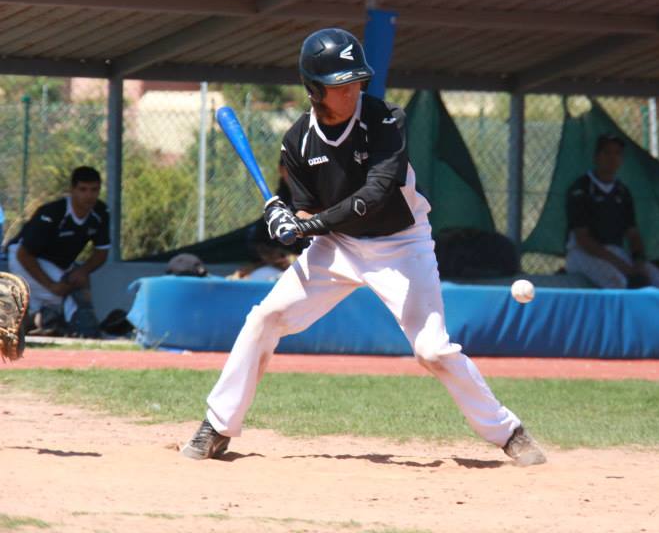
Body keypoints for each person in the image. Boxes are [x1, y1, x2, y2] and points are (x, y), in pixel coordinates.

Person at [181, 28, 546, 466]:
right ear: (315, 88)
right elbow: (306, 214)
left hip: (402, 244)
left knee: (432, 350)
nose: (354, 90)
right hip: (337, 246)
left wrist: (309, 224)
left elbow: (374, 195)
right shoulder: (298, 142)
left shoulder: (386, 119)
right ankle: (218, 426)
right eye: (342, 84)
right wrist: (284, 220)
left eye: (357, 81)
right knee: (265, 318)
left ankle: (508, 432)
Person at [6, 166, 110, 336]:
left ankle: (37, 321)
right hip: (25, 258)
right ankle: (78, 329)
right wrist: (52, 286)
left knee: (75, 287)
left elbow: (101, 252)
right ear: (72, 190)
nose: (89, 196)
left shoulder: (101, 212)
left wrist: (83, 270)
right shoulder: (53, 213)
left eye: (94, 190)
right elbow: (24, 254)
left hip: (58, 265)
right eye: (83, 189)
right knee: (66, 296)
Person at [564, 134, 659, 289]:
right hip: (582, 254)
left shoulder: (622, 192)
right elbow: (584, 240)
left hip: (616, 253)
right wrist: (625, 268)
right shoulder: (581, 189)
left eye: (617, 153)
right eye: (607, 153)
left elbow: (633, 234)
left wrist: (639, 262)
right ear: (596, 157)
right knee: (618, 282)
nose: (612, 158)